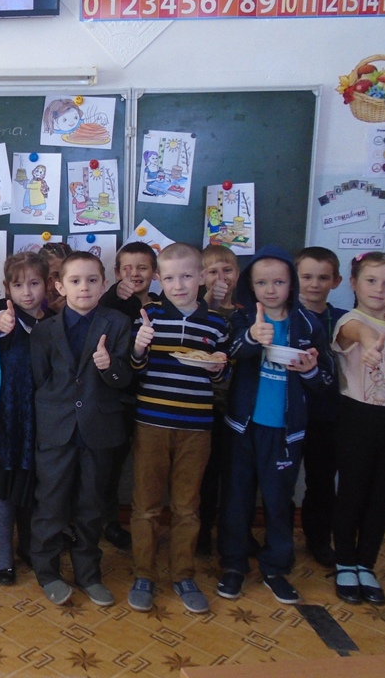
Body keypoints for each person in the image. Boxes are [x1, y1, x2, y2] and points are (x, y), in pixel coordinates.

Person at [218, 245, 333, 605]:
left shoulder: (308, 324)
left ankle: (276, 567)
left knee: (279, 499)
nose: (271, 289)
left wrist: (309, 370)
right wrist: (254, 337)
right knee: (236, 498)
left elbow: (326, 378)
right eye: (262, 283)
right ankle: (233, 564)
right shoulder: (242, 319)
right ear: (251, 286)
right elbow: (231, 353)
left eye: (279, 282)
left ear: (291, 284)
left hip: (285, 432)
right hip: (242, 427)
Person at [128, 243, 230, 615]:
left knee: (187, 506)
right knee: (146, 505)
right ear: (159, 279)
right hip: (151, 423)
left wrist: (218, 368)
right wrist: (139, 349)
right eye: (170, 278)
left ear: (202, 277)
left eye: (187, 276)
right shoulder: (149, 315)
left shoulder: (216, 322)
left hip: (197, 427)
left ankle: (183, 574)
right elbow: (134, 369)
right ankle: (144, 574)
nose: (179, 285)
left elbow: (223, 377)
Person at [29, 252, 132, 606]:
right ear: (60, 286)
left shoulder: (117, 323)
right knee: (51, 503)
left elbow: (124, 379)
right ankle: (47, 572)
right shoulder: (44, 330)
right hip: (56, 430)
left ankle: (88, 574)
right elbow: (41, 380)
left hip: (98, 430)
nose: (84, 287)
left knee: (91, 506)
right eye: (75, 281)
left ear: (104, 284)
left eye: (92, 280)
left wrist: (108, 365)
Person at [331, 252, 385, 606]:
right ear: (353, 283)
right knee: (352, 492)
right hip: (358, 419)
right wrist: (368, 344)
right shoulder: (348, 321)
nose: (379, 289)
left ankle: (366, 564)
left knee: (380, 497)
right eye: (370, 281)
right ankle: (344, 562)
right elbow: (358, 332)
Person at [0, 252, 51, 585]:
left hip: (42, 420)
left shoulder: (53, 321)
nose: (27, 292)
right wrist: (0, 323)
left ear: (47, 285)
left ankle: (29, 547)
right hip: (7, 419)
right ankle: (4, 556)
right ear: (7, 288)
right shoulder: (3, 317)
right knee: (5, 488)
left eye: (34, 283)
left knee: (34, 486)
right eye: (19, 285)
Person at [98, 241, 158, 552]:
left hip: (156, 400)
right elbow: (98, 318)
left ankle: (146, 525)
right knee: (111, 467)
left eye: (143, 268)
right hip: (118, 400)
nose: (134, 274)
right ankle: (108, 522)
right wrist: (113, 294)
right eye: (127, 268)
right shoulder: (112, 304)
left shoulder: (163, 305)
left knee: (148, 470)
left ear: (155, 273)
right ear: (117, 272)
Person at [295, 246, 346, 568]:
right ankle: (276, 537)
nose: (314, 284)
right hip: (287, 412)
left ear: (336, 281)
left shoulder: (344, 320)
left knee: (322, 481)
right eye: (307, 277)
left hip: (327, 414)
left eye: (323, 278)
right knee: (278, 481)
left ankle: (318, 539)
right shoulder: (282, 316)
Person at [196, 244, 242, 556]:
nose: (221, 277)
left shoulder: (245, 314)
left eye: (227, 270)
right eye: (212, 271)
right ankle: (201, 535)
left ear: (238, 274)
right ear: (201, 277)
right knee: (206, 476)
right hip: (205, 406)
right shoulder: (197, 310)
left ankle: (233, 535)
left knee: (236, 475)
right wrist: (209, 303)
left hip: (237, 406)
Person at [38, 241, 73, 316]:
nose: (62, 281)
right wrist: (51, 311)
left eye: (67, 275)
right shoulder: (33, 301)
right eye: (56, 275)